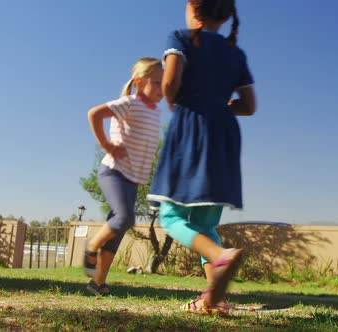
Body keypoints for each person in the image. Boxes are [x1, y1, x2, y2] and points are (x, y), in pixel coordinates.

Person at [147, 0, 256, 316]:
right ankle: (215, 298)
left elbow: (170, 83)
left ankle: (220, 255)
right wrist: (220, 105)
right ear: (225, 17)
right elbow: (249, 105)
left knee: (170, 215)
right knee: (205, 221)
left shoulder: (180, 37)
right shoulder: (236, 53)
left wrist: (175, 99)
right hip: (225, 134)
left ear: (194, 9)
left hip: (191, 126)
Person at [83, 57, 163, 296]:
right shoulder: (129, 103)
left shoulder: (156, 112)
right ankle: (92, 245)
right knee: (126, 218)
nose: (162, 89)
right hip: (113, 172)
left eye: (164, 83)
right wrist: (106, 145)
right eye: (157, 83)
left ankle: (97, 282)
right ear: (139, 82)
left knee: (117, 231)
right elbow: (94, 114)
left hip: (132, 179)